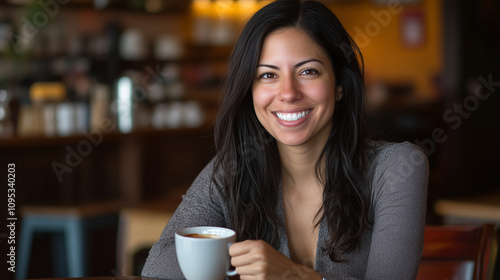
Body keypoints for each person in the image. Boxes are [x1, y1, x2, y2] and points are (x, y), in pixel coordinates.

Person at [142, 0, 428, 279]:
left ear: (340, 85)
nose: (288, 93)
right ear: (249, 91)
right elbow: (158, 265)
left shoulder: (396, 169)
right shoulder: (234, 168)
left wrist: (292, 275)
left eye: (308, 71)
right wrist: (246, 267)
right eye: (268, 75)